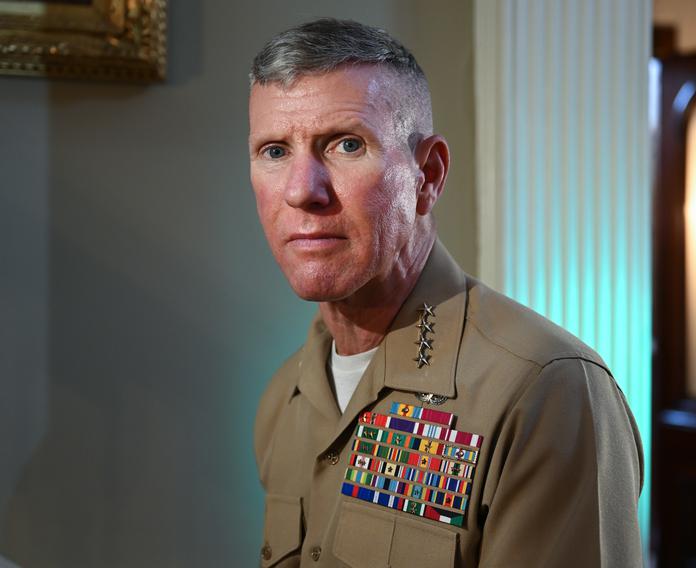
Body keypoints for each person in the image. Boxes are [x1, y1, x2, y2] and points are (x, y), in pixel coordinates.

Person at [249, 18, 643, 568]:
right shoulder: (282, 401)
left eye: (345, 144)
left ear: (427, 175)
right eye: (274, 151)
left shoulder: (545, 388)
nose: (301, 190)